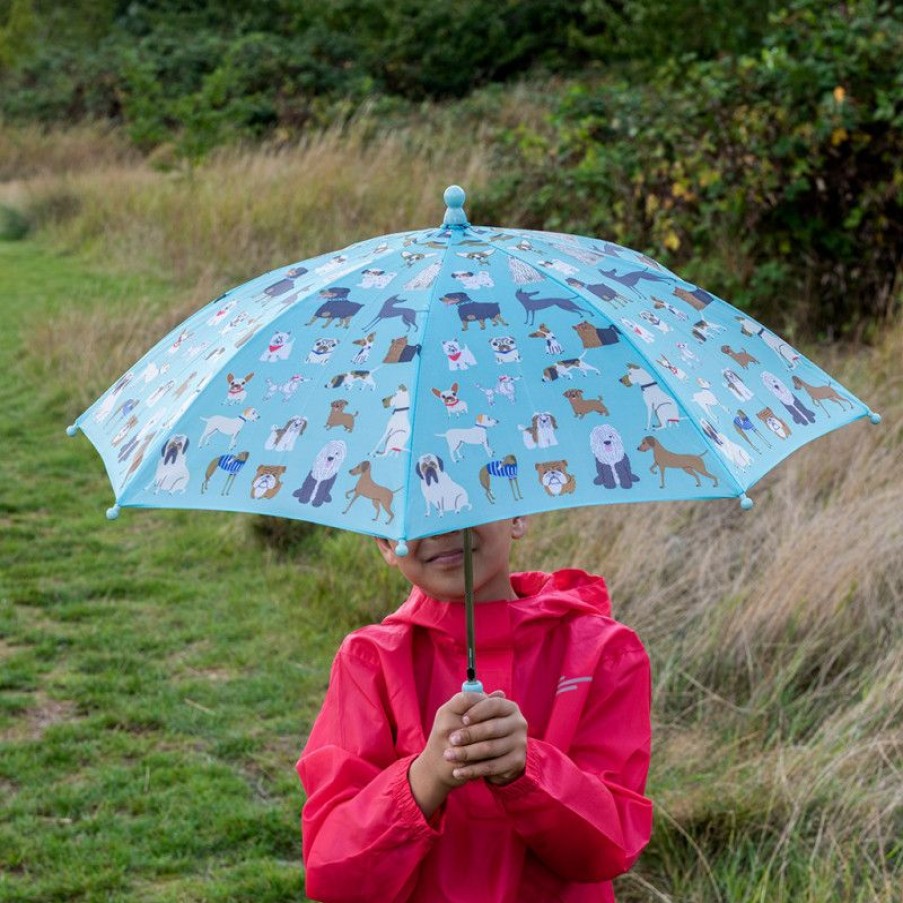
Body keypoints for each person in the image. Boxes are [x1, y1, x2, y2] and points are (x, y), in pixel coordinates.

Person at [297, 517, 652, 902]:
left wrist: (528, 769)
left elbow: (609, 848)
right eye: (419, 515)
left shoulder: (606, 653)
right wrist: (425, 776)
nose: (440, 530)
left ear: (518, 517)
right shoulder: (368, 662)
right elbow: (334, 874)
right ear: (385, 543)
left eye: (464, 506)